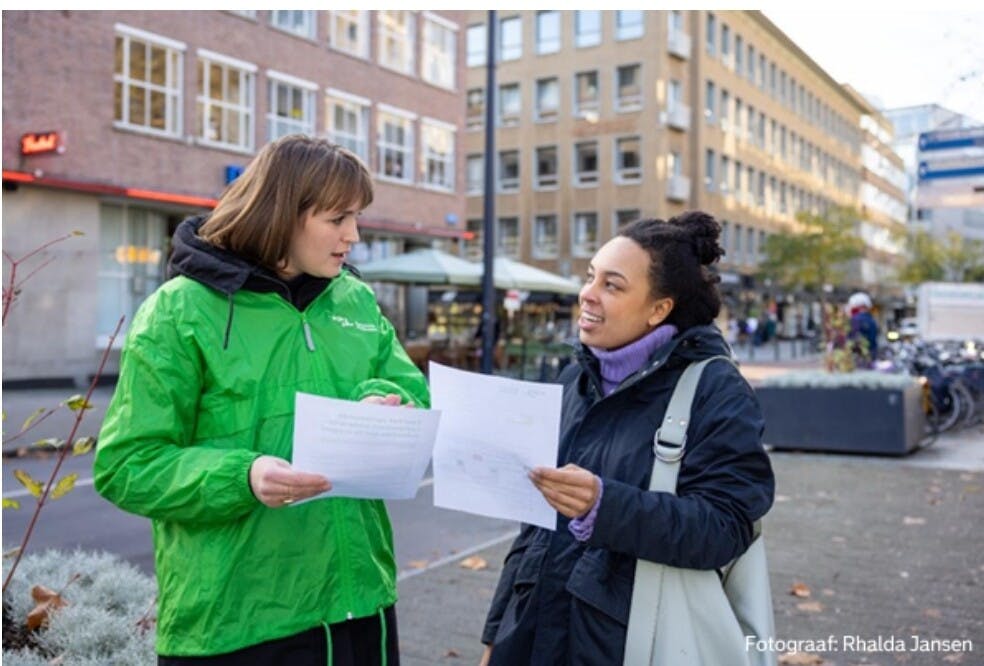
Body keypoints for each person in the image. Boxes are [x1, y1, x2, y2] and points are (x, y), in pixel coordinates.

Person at [93, 135, 429, 665]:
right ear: (284, 214)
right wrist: (243, 477)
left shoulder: (356, 299)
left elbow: (409, 388)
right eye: (338, 219)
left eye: (356, 218)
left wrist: (383, 403)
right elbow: (126, 465)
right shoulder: (179, 312)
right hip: (234, 624)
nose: (354, 236)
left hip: (357, 605)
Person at [479, 211, 775, 664]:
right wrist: (496, 636)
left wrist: (605, 506)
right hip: (531, 638)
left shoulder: (716, 390)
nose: (587, 295)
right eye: (590, 277)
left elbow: (727, 524)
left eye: (611, 286)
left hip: (630, 645)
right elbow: (532, 531)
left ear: (659, 309)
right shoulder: (574, 377)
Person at [848, 291, 879, 365]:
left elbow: (850, 338)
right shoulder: (871, 320)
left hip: (856, 357)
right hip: (871, 354)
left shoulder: (854, 319)